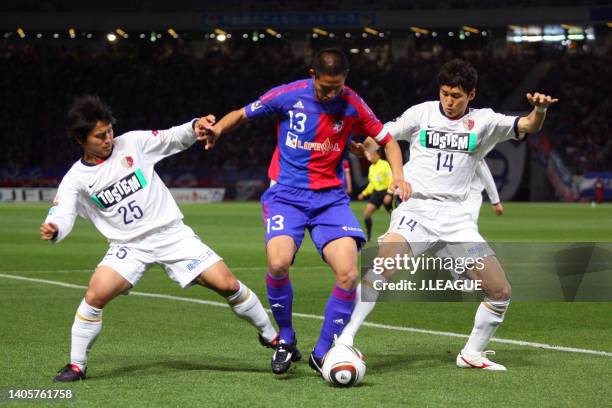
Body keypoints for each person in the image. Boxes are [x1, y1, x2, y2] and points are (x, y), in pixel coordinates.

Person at [338, 59, 557, 371]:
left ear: (471, 94)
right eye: (445, 93)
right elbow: (383, 135)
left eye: (456, 95)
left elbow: (528, 125)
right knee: (382, 267)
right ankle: (346, 338)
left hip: (455, 219)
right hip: (416, 209)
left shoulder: (485, 121)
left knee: (500, 291)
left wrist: (540, 110)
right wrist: (368, 148)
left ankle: (472, 354)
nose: (449, 101)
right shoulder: (420, 113)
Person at [40, 95, 277, 382]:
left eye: (110, 131)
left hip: (171, 235)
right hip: (129, 246)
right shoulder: (76, 178)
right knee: (96, 294)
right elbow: (63, 213)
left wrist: (194, 126)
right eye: (100, 136)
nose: (108, 139)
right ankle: (77, 365)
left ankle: (272, 337)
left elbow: (172, 137)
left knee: (226, 283)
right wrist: (54, 227)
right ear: (80, 139)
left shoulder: (133, 143)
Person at [202, 48, 410, 375]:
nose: (331, 94)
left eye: (337, 87)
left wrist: (398, 176)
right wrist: (217, 131)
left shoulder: (353, 102)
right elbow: (242, 114)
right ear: (312, 74)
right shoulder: (288, 95)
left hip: (330, 199)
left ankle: (323, 350)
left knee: (349, 274)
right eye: (325, 87)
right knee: (278, 262)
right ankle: (286, 339)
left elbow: (388, 140)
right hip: (287, 195)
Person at [357, 149, 394, 241]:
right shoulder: (371, 167)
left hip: (386, 192)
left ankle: (395, 234)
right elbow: (372, 184)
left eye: (372, 155)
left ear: (378, 155)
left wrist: (389, 193)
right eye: (370, 155)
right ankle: (368, 236)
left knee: (394, 215)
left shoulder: (384, 164)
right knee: (366, 213)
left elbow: (391, 179)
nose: (370, 157)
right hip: (377, 193)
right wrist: (364, 193)